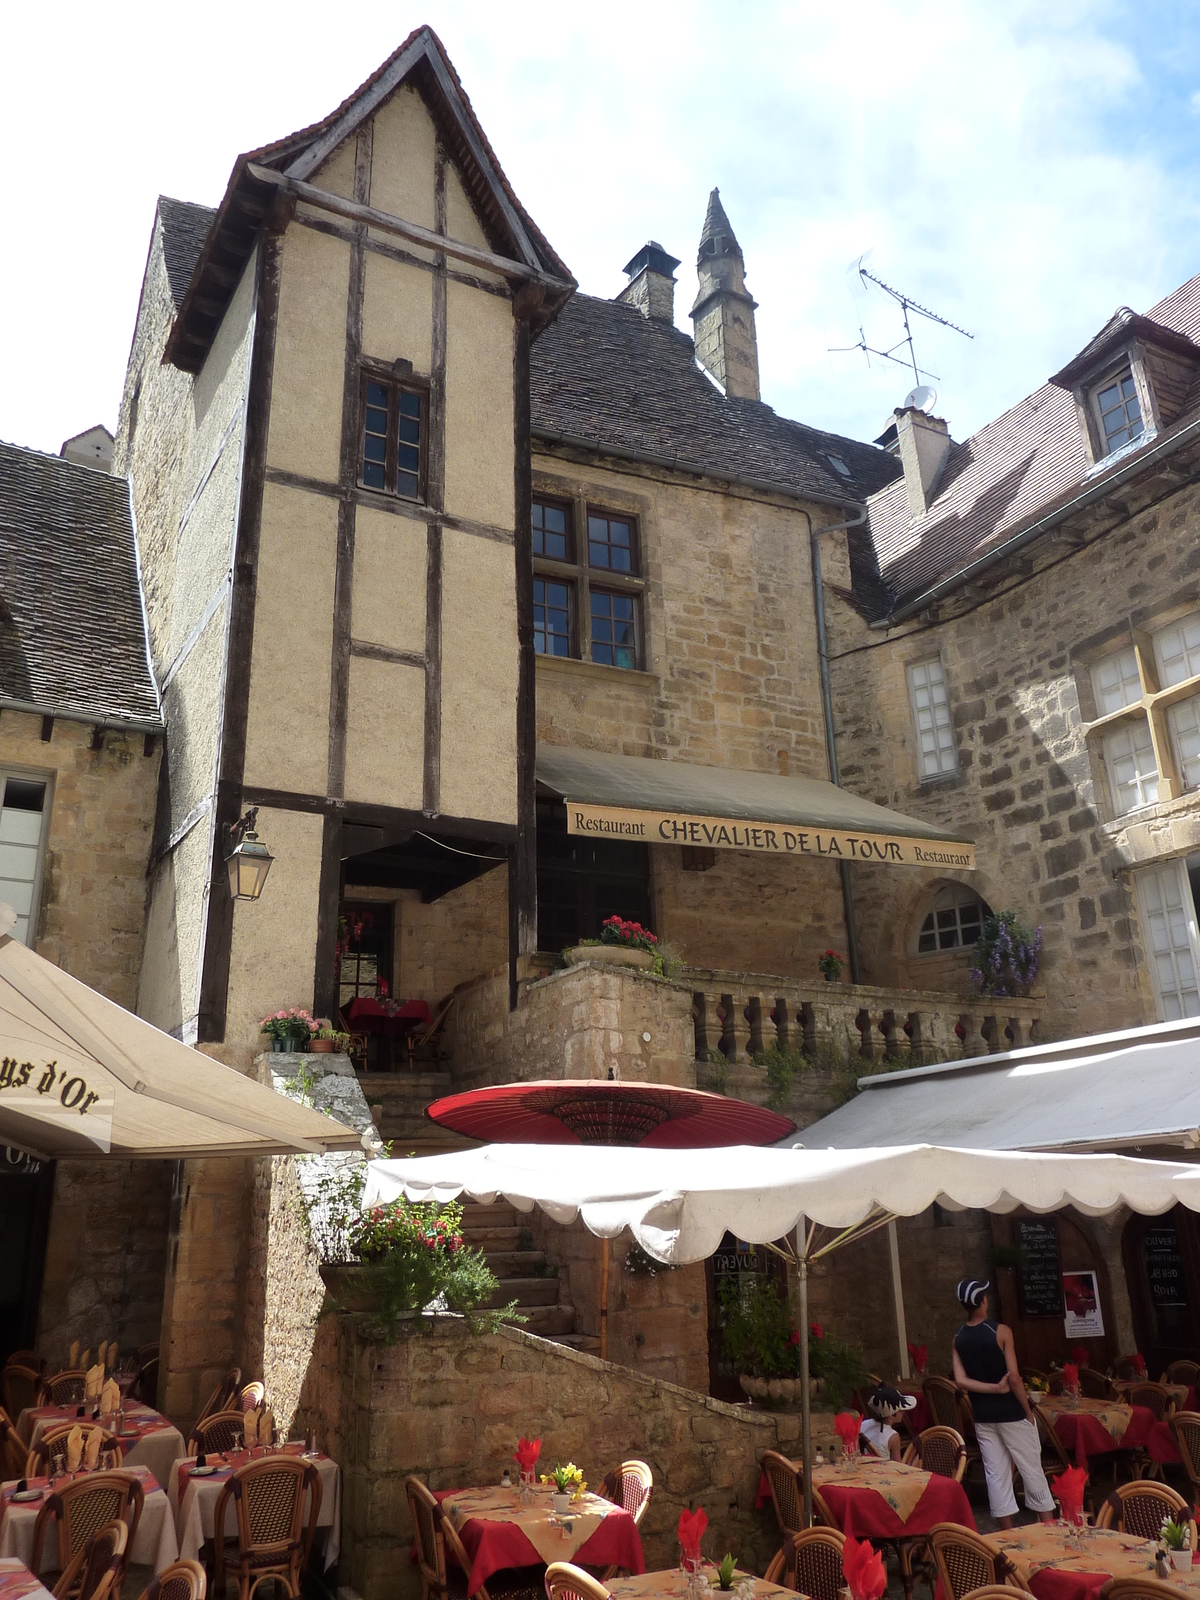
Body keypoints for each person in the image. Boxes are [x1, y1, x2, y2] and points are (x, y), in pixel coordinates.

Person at [951, 1277, 1056, 1528]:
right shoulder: (1001, 1331)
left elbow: (960, 1380)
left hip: (983, 1415)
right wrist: (1026, 1407)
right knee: (1031, 1468)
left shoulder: (958, 1338)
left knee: (995, 1473)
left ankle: (1006, 1533)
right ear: (983, 1301)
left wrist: (992, 1389)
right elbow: (1016, 1378)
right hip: (1011, 1412)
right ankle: (1048, 1527)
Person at [860, 1383, 917, 1460]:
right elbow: (897, 1465)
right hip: (884, 1469)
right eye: (901, 1411)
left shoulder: (864, 1424)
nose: (903, 1412)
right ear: (890, 1418)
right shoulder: (893, 1436)